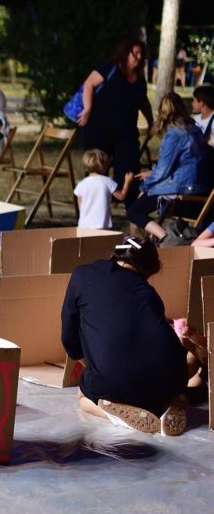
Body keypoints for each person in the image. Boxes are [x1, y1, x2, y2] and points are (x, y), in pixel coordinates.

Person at [61, 235, 200, 435]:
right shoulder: (147, 292)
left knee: (83, 396)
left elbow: (69, 336)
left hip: (113, 380)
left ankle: (111, 410)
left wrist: (95, 367)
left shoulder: (82, 275)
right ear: (146, 268)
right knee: (184, 377)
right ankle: (175, 402)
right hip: (165, 380)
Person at [76, 39, 154, 205]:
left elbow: (142, 100)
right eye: (136, 53)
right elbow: (89, 83)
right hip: (100, 129)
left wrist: (150, 121)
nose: (139, 57)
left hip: (126, 133)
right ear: (126, 53)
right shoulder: (110, 68)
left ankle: (132, 212)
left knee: (129, 169)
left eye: (142, 54)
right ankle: (93, 211)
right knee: (97, 170)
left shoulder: (139, 80)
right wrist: (87, 109)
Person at [125, 93, 209, 245]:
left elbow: (163, 170)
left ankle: (166, 238)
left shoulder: (175, 134)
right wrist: (152, 175)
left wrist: (146, 186)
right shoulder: (195, 130)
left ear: (163, 112)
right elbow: (184, 164)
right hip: (199, 185)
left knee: (134, 212)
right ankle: (158, 239)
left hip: (183, 187)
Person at [74, 150, 132, 229]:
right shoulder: (107, 181)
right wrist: (127, 182)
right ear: (103, 165)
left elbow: (81, 206)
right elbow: (121, 196)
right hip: (101, 224)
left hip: (84, 225)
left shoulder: (81, 184)